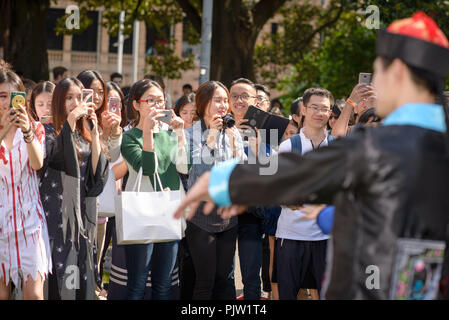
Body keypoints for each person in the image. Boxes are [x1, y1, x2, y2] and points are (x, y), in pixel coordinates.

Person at [174, 11, 449, 300]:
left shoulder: (381, 145)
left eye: (378, 72)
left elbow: (303, 171)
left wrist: (225, 182)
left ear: (399, 73)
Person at [40, 77, 108, 300]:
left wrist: (96, 134)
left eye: (80, 97)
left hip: (79, 216)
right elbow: (58, 158)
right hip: (54, 214)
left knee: (76, 275)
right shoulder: (47, 130)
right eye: (69, 98)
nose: (75, 102)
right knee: (57, 276)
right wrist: (69, 121)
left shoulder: (84, 132)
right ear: (59, 101)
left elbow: (96, 177)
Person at [120, 79, 188, 300]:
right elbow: (148, 169)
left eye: (160, 100)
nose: (157, 105)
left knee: (164, 285)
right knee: (137, 285)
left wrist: (180, 133)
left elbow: (184, 167)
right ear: (136, 105)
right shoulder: (129, 137)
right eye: (150, 100)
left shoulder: (169, 133)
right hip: (141, 213)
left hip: (169, 211)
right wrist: (148, 132)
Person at [184, 80, 244, 300]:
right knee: (204, 280)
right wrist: (210, 139)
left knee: (224, 279)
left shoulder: (232, 131)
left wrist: (235, 143)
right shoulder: (190, 134)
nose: (223, 105)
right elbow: (198, 173)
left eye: (225, 100)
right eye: (217, 100)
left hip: (228, 215)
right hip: (200, 215)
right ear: (203, 102)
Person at [0, 60, 52, 300]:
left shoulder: (34, 128)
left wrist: (27, 132)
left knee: (34, 294)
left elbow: (37, 164)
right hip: (1, 224)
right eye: (1, 96)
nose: (6, 102)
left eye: (12, 96)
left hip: (29, 221)